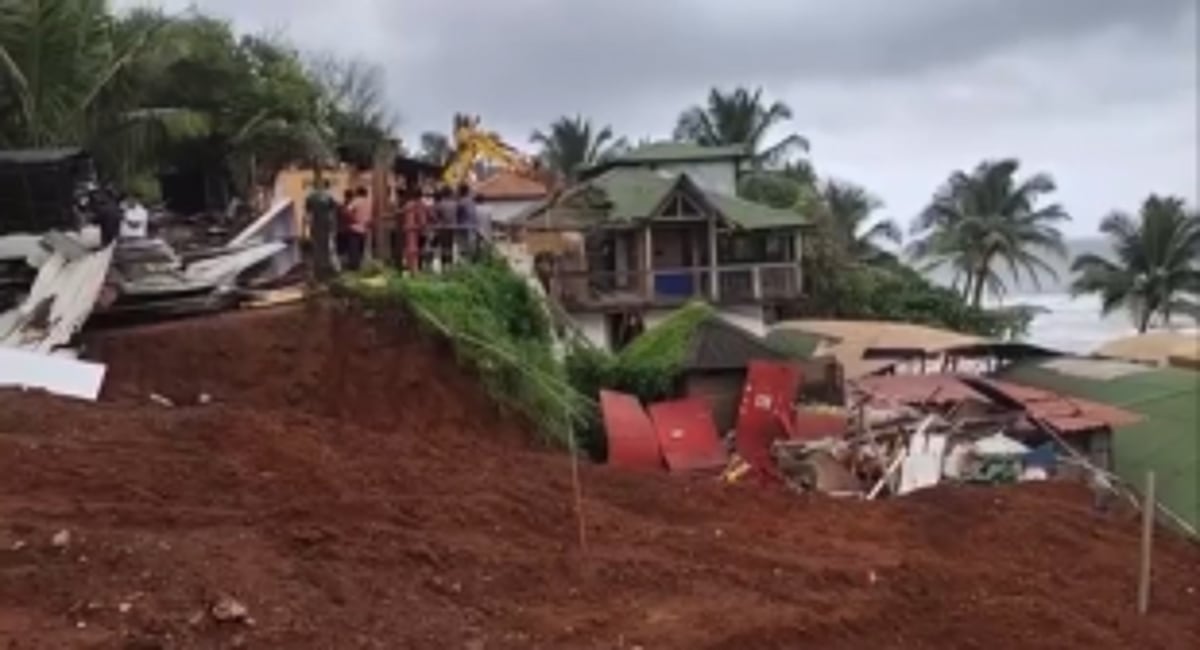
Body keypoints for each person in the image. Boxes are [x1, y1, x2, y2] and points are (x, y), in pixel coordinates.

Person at [304, 178, 339, 281]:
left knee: (318, 249)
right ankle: (329, 271)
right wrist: (333, 227)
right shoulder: (329, 197)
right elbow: (332, 213)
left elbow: (308, 215)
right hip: (326, 226)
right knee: (329, 248)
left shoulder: (310, 197)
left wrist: (306, 229)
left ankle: (319, 271)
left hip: (316, 226)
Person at [344, 186, 372, 271]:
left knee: (353, 247)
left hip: (354, 227)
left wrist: (353, 218)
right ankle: (360, 264)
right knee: (361, 247)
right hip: (365, 227)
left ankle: (354, 265)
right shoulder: (369, 202)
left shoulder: (356, 201)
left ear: (357, 193)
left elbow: (347, 211)